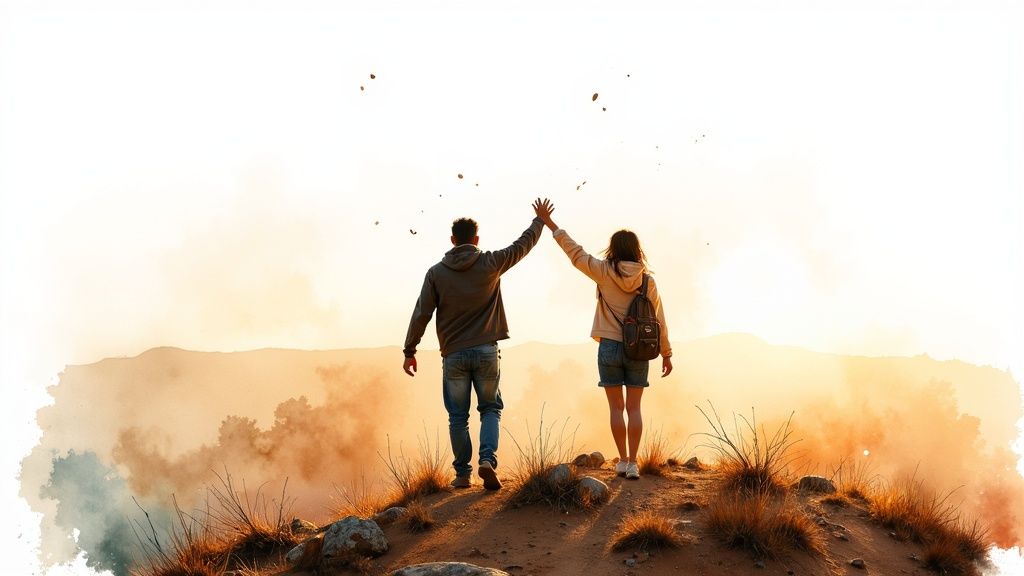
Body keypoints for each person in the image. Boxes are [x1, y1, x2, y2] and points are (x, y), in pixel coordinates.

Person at [403, 201, 548, 490]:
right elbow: (522, 245)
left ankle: (461, 474)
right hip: (486, 351)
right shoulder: (491, 263)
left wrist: (410, 350)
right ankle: (487, 460)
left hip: (454, 354)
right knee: (490, 409)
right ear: (476, 240)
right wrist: (539, 221)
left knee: (458, 416)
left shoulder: (436, 273)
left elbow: (422, 313)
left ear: (453, 240)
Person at [533, 198, 672, 480]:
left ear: (613, 249)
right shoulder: (648, 281)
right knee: (635, 408)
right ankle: (633, 462)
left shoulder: (603, 272)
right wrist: (667, 353)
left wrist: (550, 224)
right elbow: (659, 321)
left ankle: (621, 459)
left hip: (609, 347)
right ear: (637, 250)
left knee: (616, 408)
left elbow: (575, 253)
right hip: (640, 351)